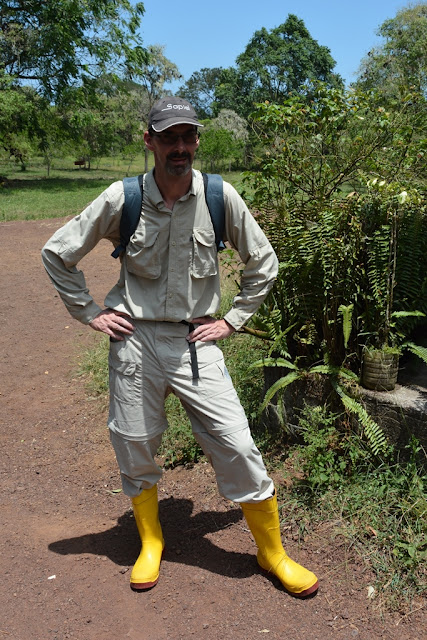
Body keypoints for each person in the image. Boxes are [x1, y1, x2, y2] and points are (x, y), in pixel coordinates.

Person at [41, 96, 319, 598]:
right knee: (134, 440)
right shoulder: (122, 197)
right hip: (135, 339)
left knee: (235, 441)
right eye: (168, 137)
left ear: (197, 141)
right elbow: (58, 252)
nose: (180, 147)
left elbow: (264, 261)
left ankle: (272, 552)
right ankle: (151, 542)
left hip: (196, 339)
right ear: (149, 141)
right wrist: (90, 312)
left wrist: (232, 320)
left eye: (188, 137)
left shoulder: (219, 196)